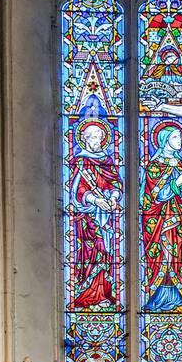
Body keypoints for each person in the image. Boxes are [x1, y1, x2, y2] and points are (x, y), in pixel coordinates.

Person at [140, 121, 182, 311]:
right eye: (175, 137)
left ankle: (178, 299)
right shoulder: (154, 166)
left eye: (181, 137)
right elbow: (158, 195)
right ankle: (158, 300)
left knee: (177, 255)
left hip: (177, 218)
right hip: (158, 221)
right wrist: (178, 182)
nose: (180, 140)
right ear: (164, 140)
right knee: (163, 256)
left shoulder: (179, 163)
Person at [69, 120, 122, 310]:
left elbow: (115, 182)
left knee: (106, 254)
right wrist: (94, 200)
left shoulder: (106, 160)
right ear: (84, 140)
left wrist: (114, 197)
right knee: (89, 253)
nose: (97, 141)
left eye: (100, 137)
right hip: (87, 218)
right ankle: (86, 294)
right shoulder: (81, 161)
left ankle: (104, 293)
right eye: (93, 137)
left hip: (105, 217)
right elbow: (77, 189)